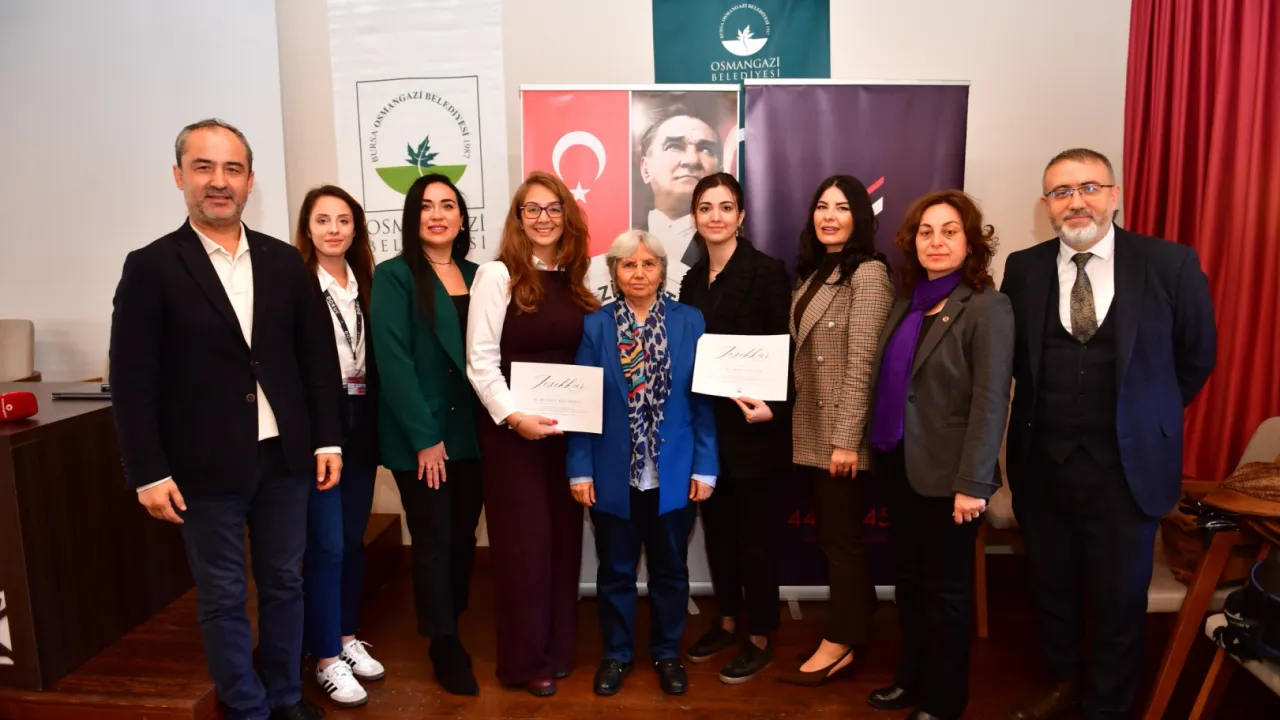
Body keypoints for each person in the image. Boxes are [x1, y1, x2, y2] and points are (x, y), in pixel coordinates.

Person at [109, 118, 343, 720]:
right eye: (204, 167)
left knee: (285, 582)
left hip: (284, 459)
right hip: (201, 468)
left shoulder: (284, 262)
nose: (219, 181)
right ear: (179, 176)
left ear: (249, 180)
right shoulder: (151, 267)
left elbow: (317, 360)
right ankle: (246, 708)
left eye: (232, 168)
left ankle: (285, 696)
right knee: (223, 595)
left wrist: (328, 441)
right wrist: (147, 472)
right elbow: (132, 381)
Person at [1002, 149, 1216, 720]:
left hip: (1128, 469)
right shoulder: (1022, 269)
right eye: (1061, 192)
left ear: (1114, 195)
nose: (1076, 202)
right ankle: (1063, 683)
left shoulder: (1168, 263)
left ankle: (1109, 705)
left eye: (1089, 187)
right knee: (1052, 588)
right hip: (1042, 464)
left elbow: (1197, 356)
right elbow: (1015, 361)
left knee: (1120, 598)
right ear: (1046, 205)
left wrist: (1147, 415)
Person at [865, 190, 1015, 720]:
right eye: (926, 232)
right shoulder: (908, 301)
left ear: (970, 242)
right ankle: (910, 680)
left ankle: (944, 701)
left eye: (950, 231)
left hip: (951, 478)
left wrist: (973, 483)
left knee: (947, 594)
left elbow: (991, 401)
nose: (936, 241)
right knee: (909, 584)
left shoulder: (987, 307)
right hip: (899, 465)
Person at [465, 170, 601, 696]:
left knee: (564, 541)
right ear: (518, 219)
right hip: (512, 436)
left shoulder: (575, 278)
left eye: (553, 208)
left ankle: (559, 648)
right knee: (525, 547)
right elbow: (480, 362)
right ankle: (524, 662)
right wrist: (513, 416)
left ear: (567, 217)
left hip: (566, 433)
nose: (543, 218)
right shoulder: (496, 275)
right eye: (532, 209)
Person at [567, 229, 718, 697]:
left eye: (648, 264)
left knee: (670, 571)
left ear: (662, 271)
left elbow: (702, 400)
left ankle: (667, 653)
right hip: (613, 473)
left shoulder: (690, 320)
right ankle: (616, 655)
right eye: (628, 264)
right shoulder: (596, 325)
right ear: (614, 272)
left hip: (674, 473)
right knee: (615, 571)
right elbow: (581, 402)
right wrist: (580, 468)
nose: (638, 273)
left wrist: (705, 466)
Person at [370, 174, 484, 696]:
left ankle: (452, 616)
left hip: (475, 432)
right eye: (426, 206)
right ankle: (442, 641)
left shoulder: (481, 275)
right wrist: (424, 436)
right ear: (412, 218)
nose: (437, 215)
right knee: (434, 538)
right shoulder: (395, 276)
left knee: (463, 535)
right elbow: (393, 361)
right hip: (424, 437)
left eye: (448, 205)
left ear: (462, 218)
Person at [780, 174, 895, 687]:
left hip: (840, 435)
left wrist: (847, 440)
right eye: (822, 206)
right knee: (835, 535)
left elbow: (864, 362)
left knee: (840, 540)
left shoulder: (868, 274)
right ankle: (861, 612)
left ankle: (843, 640)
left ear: (860, 218)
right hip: (811, 426)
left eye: (842, 207)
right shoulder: (813, 273)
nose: (830, 216)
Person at [678, 173, 791, 683]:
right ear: (695, 217)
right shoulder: (691, 281)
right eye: (706, 207)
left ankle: (761, 635)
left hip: (753, 425)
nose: (716, 216)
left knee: (755, 540)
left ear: (741, 216)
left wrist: (773, 407)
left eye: (726, 207)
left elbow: (784, 347)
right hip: (706, 427)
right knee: (718, 532)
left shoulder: (767, 272)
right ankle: (725, 620)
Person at [292, 185, 384, 708]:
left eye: (343, 220)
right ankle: (324, 656)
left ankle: (346, 638)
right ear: (307, 228)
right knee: (325, 543)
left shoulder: (367, 281)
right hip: (318, 427)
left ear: (356, 228)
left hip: (362, 418)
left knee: (351, 540)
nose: (333, 229)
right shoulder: (297, 283)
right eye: (323, 220)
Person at [637, 104, 721, 272]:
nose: (692, 160)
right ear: (646, 169)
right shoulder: (616, 238)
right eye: (674, 146)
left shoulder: (735, 250)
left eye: (705, 149)